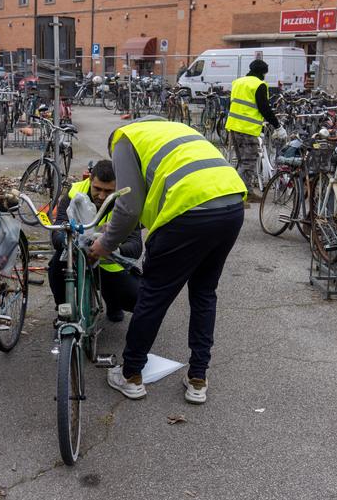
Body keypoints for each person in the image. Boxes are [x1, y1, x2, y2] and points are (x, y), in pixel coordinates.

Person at [90, 117, 246, 404]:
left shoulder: (124, 139)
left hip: (188, 214)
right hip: (231, 204)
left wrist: (104, 244)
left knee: (153, 295)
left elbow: (128, 207)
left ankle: (131, 374)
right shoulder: (173, 130)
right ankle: (198, 378)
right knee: (204, 293)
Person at [47, 160, 141, 322]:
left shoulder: (126, 201)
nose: (102, 196)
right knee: (56, 268)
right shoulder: (74, 192)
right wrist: (68, 244)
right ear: (90, 180)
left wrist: (113, 248)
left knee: (137, 299)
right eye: (97, 189)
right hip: (77, 258)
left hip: (108, 264)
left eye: (108, 190)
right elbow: (58, 229)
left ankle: (113, 303)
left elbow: (136, 246)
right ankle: (64, 312)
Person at [224, 60, 286, 203]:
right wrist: (277, 126)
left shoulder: (238, 82)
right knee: (248, 161)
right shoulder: (259, 85)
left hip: (233, 126)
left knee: (241, 161)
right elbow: (264, 108)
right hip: (247, 129)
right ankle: (241, 195)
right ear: (263, 72)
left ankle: (242, 191)